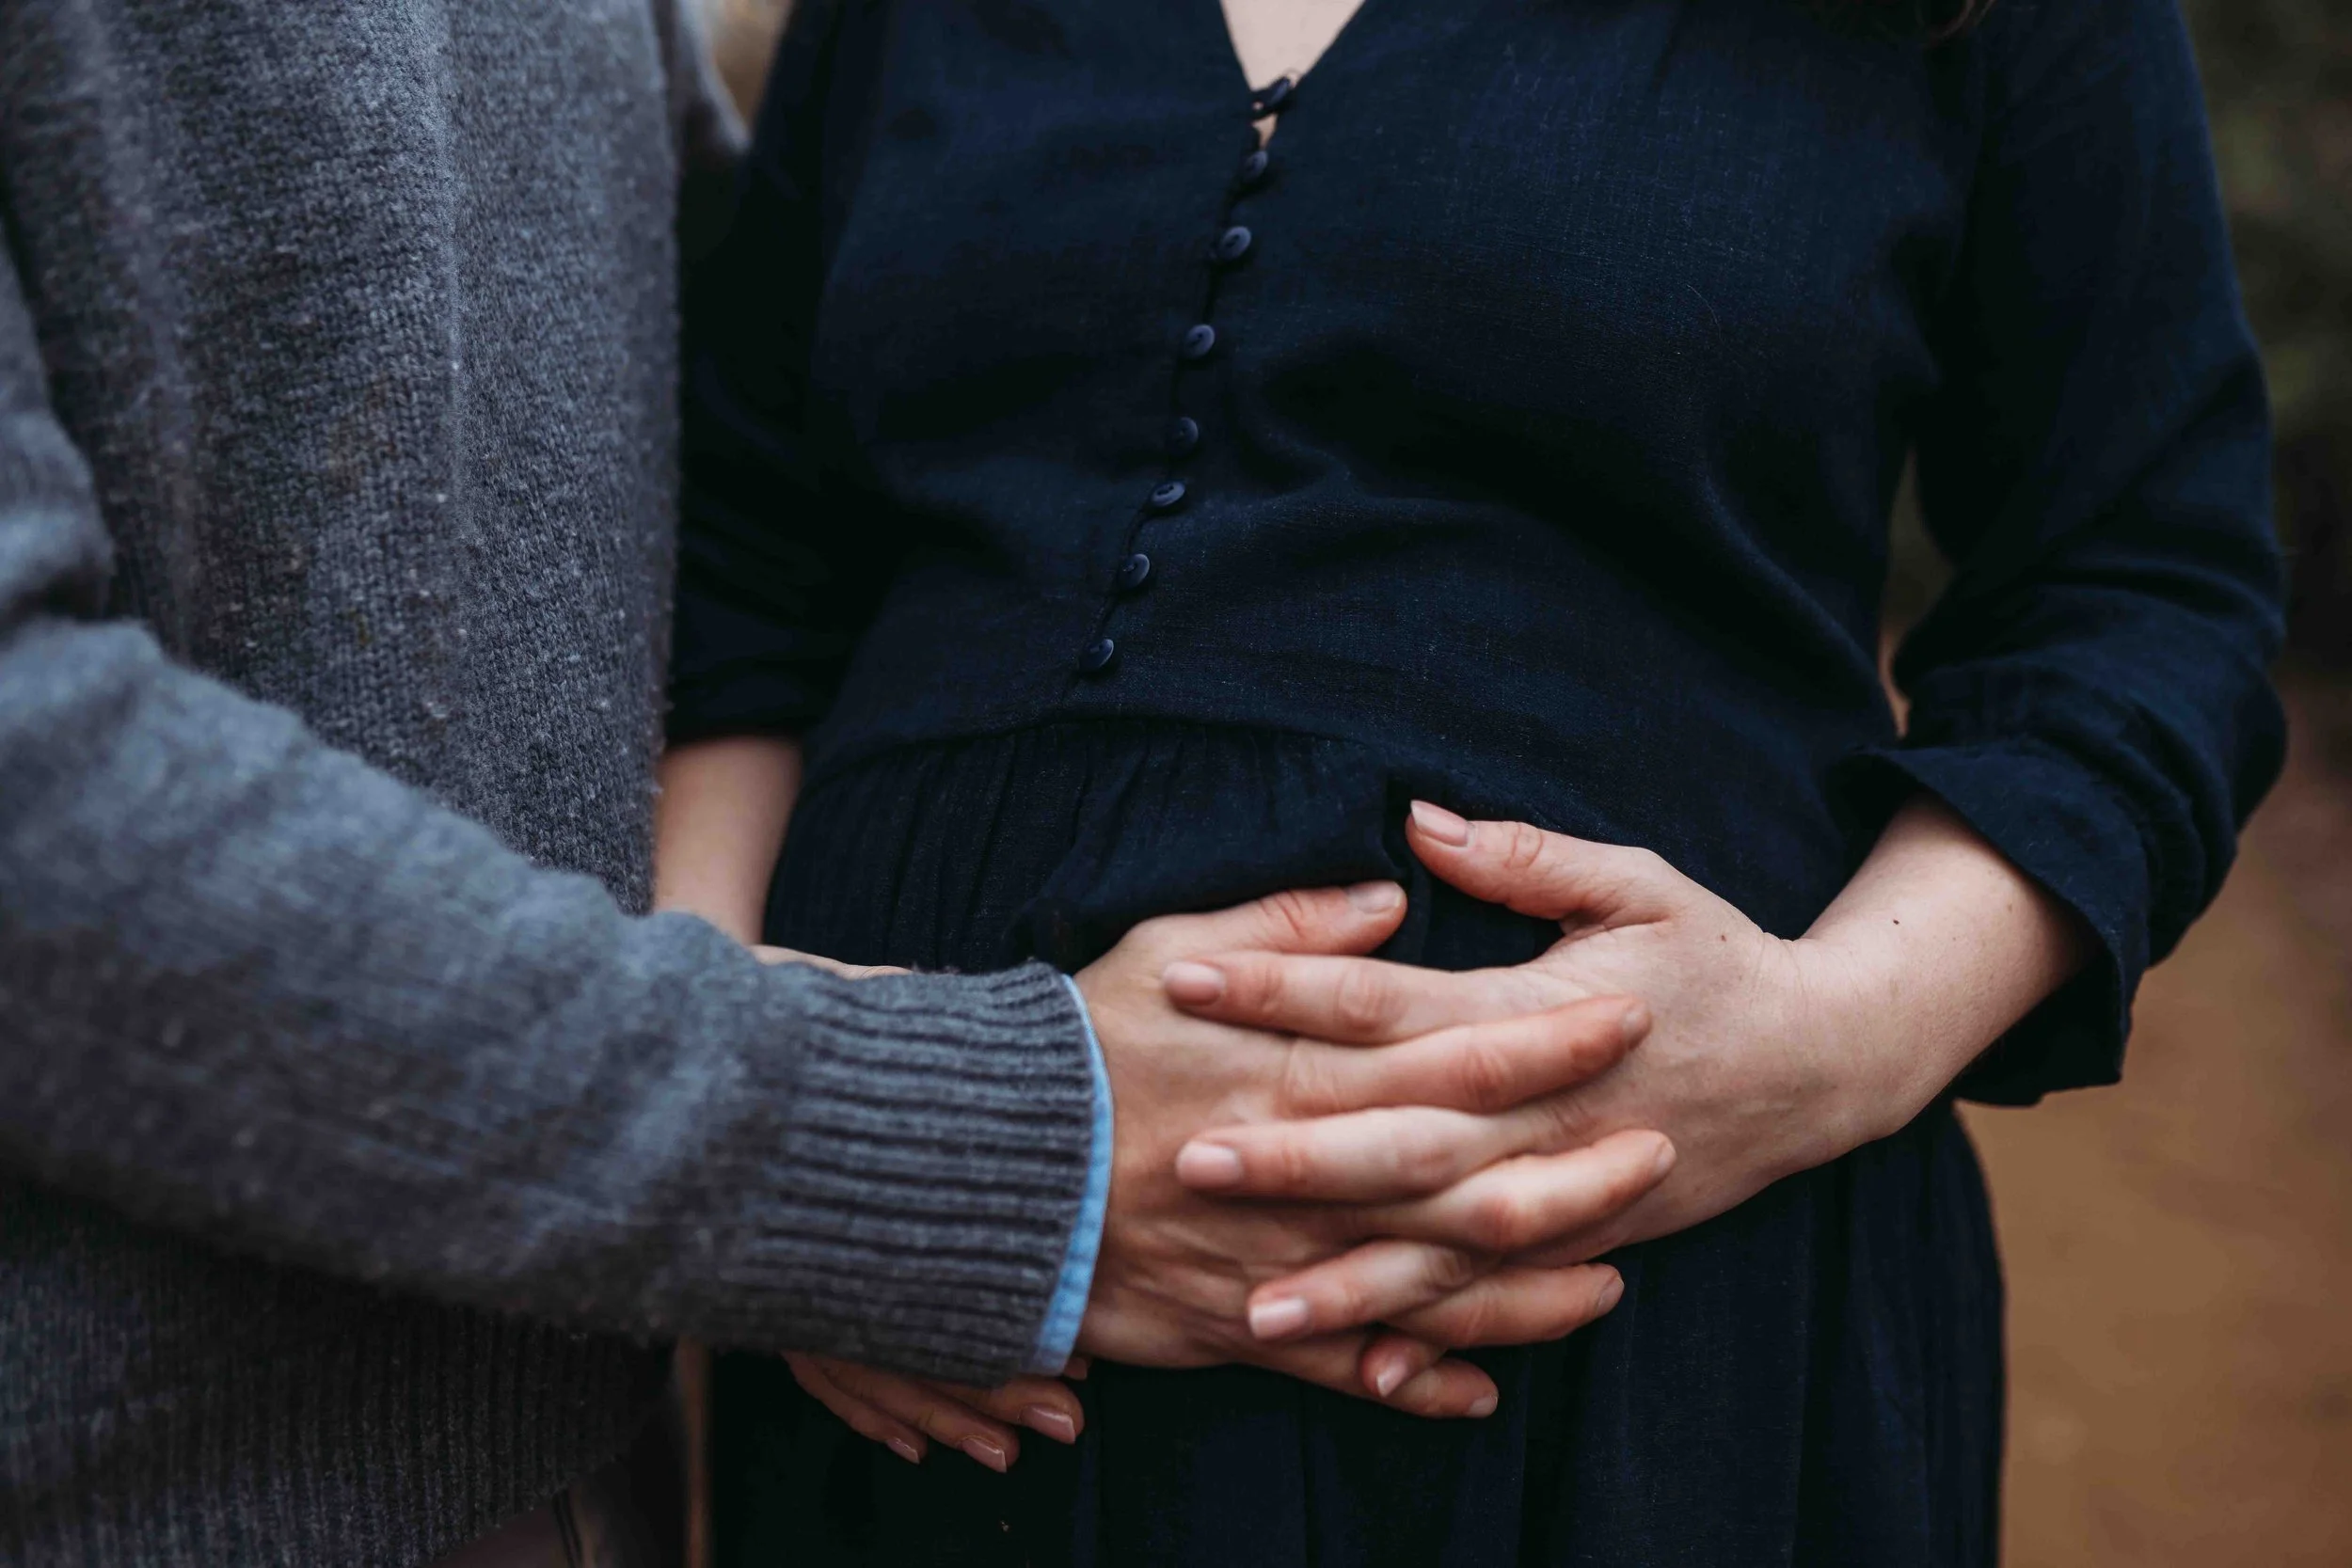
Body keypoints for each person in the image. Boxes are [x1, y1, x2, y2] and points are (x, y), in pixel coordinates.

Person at [0, 3, 1684, 1563]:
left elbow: (737, 441)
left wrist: (1855, 1022)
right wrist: (911, 1163)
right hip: (155, 1494)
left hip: (599, 1449)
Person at [659, 0, 2288, 1561]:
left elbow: (2140, 588)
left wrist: (1823, 1042)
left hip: (1630, 1349)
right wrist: (778, 1112)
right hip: (939, 1340)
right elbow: (738, 566)